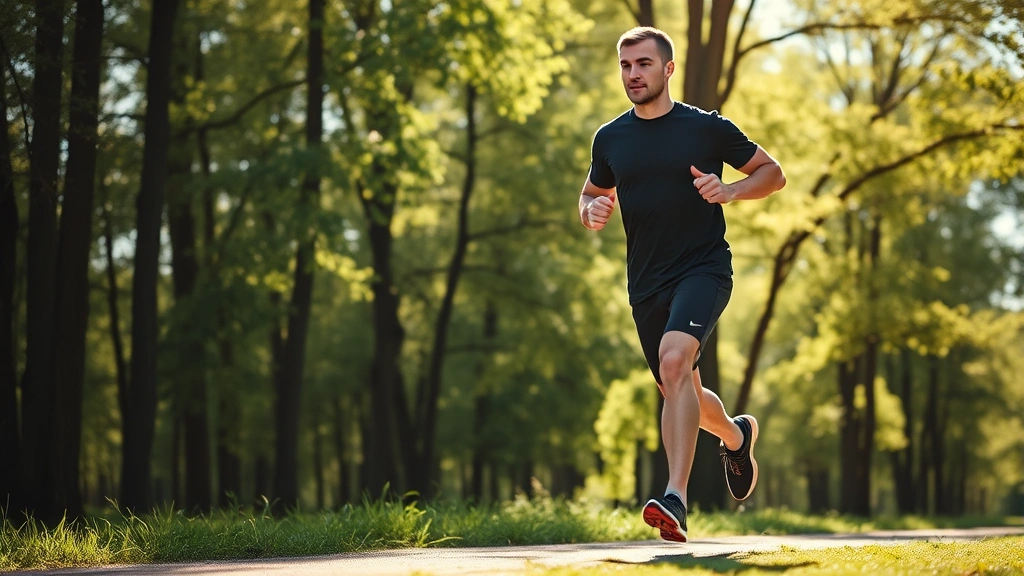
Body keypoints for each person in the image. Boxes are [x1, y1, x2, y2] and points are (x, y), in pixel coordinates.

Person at [579, 26, 786, 543]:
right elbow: (590, 192)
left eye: (643, 65)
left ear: (668, 69)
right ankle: (736, 436)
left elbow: (773, 173)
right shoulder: (611, 138)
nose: (633, 75)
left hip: (703, 268)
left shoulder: (704, 128)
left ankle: (675, 498)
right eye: (626, 66)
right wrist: (592, 211)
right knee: (681, 387)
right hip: (645, 282)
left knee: (675, 362)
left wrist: (730, 190)